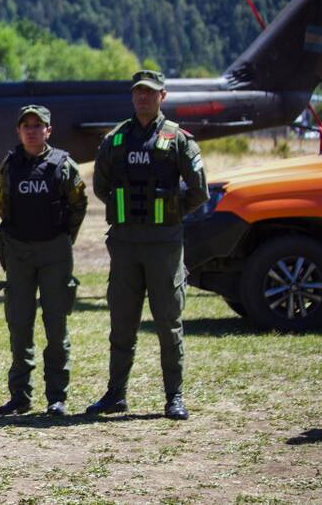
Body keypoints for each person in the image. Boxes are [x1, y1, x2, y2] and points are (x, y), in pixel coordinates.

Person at [87, 70, 207, 421]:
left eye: (150, 92)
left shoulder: (178, 139)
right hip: (125, 244)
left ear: (162, 96)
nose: (143, 97)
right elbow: (101, 186)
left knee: (168, 323)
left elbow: (199, 190)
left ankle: (174, 397)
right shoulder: (116, 139)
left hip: (163, 246)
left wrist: (171, 211)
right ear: (132, 95)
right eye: (138, 92)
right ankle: (116, 394)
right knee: (122, 322)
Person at [0, 105, 87, 417]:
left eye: (38, 125)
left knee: (56, 326)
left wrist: (62, 239)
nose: (31, 131)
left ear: (49, 130)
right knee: (19, 325)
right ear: (18, 131)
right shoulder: (10, 164)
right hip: (18, 251)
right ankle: (20, 396)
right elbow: (3, 204)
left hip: (54, 252)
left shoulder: (63, 164)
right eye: (26, 126)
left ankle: (56, 397)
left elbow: (78, 205)